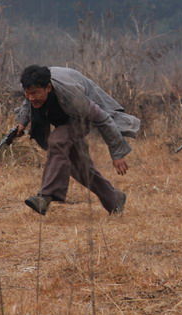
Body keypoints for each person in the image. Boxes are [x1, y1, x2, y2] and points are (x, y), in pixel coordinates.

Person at [14, 65, 140, 216]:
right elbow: (27, 103)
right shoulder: (33, 89)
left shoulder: (72, 96)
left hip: (80, 118)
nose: (31, 97)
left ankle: (46, 196)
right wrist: (22, 123)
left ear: (48, 88)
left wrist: (117, 153)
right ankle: (114, 199)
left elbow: (103, 119)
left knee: (57, 141)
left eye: (35, 93)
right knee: (79, 167)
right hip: (64, 119)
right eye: (27, 93)